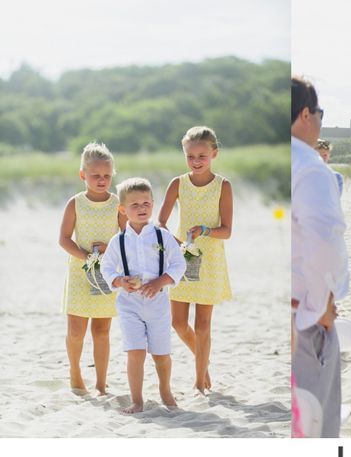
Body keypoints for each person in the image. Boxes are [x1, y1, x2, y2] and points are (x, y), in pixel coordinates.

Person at [290, 76, 347, 437]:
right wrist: (319, 305)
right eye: (320, 114)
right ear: (306, 114)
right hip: (301, 317)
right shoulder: (309, 166)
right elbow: (323, 241)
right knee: (314, 426)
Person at [157, 126, 233, 395]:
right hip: (181, 258)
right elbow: (161, 222)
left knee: (203, 324)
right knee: (177, 322)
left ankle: (199, 380)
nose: (196, 161)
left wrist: (205, 231)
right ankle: (203, 361)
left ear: (214, 153)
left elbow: (226, 230)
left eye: (202, 155)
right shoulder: (178, 184)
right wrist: (174, 242)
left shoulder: (223, 186)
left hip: (210, 258)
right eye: (190, 156)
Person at [100, 178, 186, 413]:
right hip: (129, 304)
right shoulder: (118, 241)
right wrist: (118, 280)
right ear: (122, 209)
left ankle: (165, 391)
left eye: (146, 203)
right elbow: (106, 267)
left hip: (157, 303)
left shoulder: (162, 236)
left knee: (161, 354)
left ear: (153, 204)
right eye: (135, 205)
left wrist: (161, 281)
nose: (142, 208)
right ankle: (137, 400)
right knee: (135, 351)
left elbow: (178, 264)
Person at [58, 142, 125, 395]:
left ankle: (100, 382)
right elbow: (64, 239)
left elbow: (127, 237)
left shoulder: (117, 204)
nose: (101, 180)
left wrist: (109, 249)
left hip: (106, 274)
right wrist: (85, 256)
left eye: (107, 176)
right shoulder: (75, 203)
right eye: (95, 175)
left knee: (101, 330)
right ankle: (75, 373)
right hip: (79, 272)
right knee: (76, 331)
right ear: (82, 174)